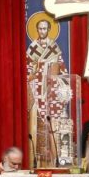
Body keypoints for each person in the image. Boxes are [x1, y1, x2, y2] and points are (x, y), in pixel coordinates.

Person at [26, 18, 68, 168]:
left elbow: (62, 70)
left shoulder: (54, 48)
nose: (42, 31)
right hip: (36, 92)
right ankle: (37, 163)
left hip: (51, 93)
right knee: (37, 126)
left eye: (45, 28)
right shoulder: (32, 48)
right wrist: (36, 71)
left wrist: (60, 80)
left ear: (49, 30)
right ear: (37, 30)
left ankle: (56, 161)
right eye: (40, 28)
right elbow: (27, 72)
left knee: (53, 127)